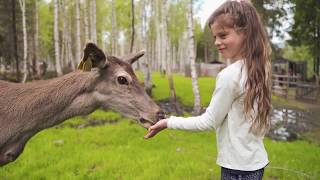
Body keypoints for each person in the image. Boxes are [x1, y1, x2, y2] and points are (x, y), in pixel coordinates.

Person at [144, 0, 272, 179]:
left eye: (223, 35)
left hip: (237, 170)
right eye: (214, 37)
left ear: (245, 32)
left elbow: (209, 121)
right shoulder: (260, 68)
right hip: (255, 165)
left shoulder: (230, 75)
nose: (217, 42)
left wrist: (168, 122)